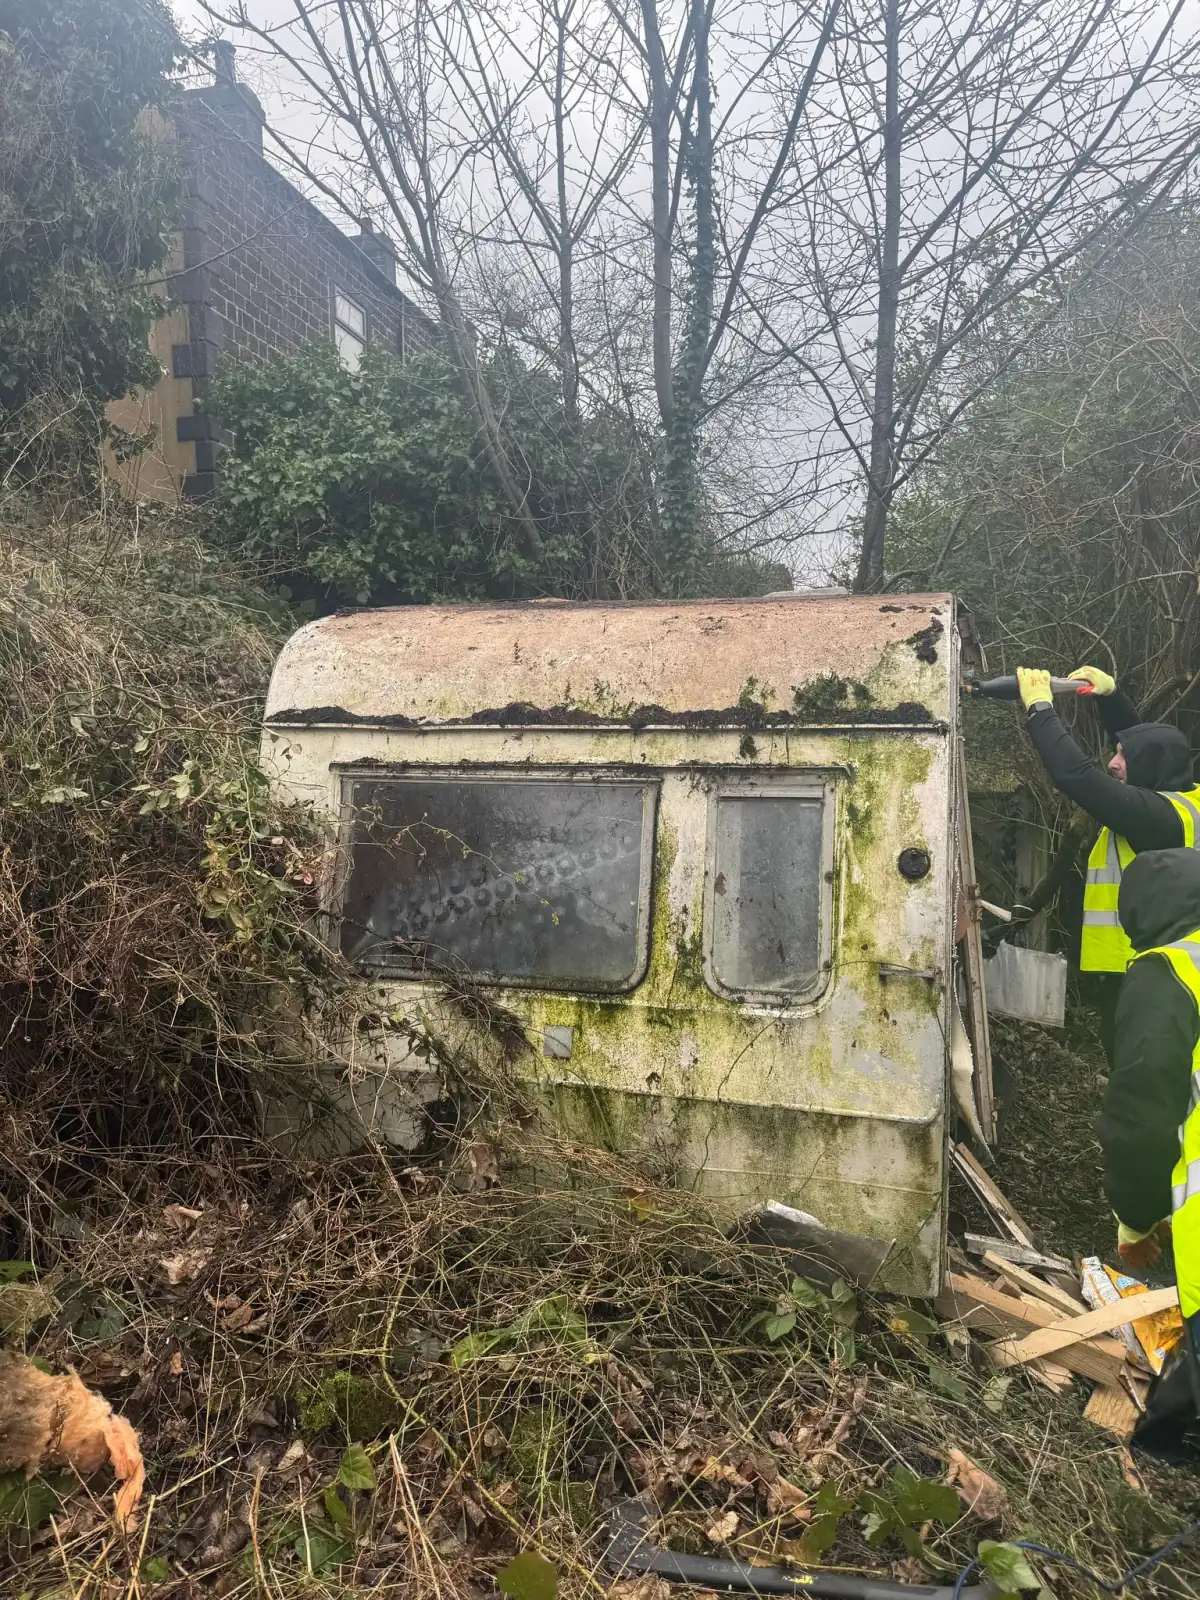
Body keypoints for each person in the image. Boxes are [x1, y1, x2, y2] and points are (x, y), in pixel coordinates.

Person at [1016, 663, 1200, 1057]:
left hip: (1146, 967)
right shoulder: (1185, 801)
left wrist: (1040, 709)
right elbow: (1147, 752)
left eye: (1122, 756)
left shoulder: (1156, 819)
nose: (1113, 763)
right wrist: (1111, 697)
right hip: (1160, 964)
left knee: (1137, 1065)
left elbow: (1077, 776)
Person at [1100, 846, 1200, 1459]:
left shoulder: (1170, 972)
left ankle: (1160, 1445)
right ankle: (1163, 1439)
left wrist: (1136, 1222)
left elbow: (1141, 1119)